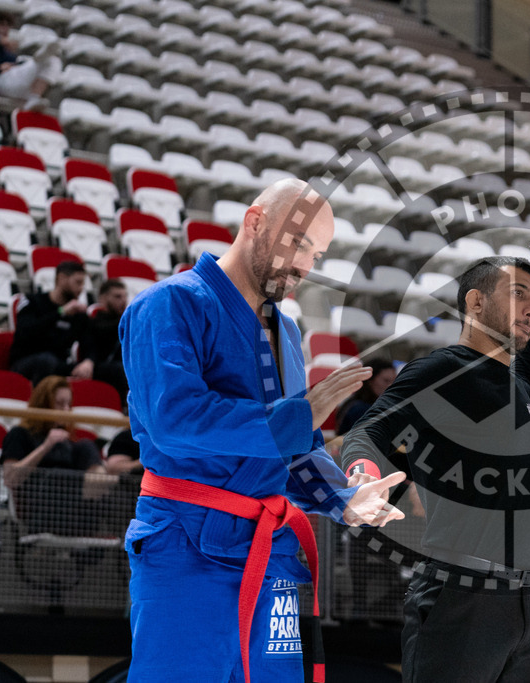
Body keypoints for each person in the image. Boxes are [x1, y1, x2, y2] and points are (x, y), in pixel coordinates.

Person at [119, 179, 407, 683]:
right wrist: (298, 417)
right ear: (255, 223)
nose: (305, 265)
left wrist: (342, 497)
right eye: (298, 243)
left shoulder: (287, 332)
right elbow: (174, 420)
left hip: (270, 549)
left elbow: (295, 448)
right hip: (185, 544)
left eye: (316, 254)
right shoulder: (167, 305)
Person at [339, 255, 530, 682]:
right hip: (463, 593)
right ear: (475, 302)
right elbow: (367, 432)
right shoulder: (439, 369)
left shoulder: (524, 382)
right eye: (517, 294)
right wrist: (363, 475)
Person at [0, 375, 105, 535]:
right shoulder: (19, 434)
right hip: (39, 511)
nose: (66, 410)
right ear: (43, 404)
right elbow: (10, 477)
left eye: (68, 404)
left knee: (87, 445)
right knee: (59, 476)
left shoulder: (72, 444)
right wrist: (46, 446)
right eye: (59, 404)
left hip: (76, 514)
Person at [9, 260, 95, 385]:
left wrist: (89, 362)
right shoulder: (31, 301)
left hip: (58, 364)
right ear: (61, 279)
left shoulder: (79, 314)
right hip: (25, 362)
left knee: (106, 370)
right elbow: (25, 333)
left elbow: (89, 344)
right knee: (46, 361)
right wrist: (61, 312)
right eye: (78, 282)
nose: (81, 288)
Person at [0, 11, 60, 111]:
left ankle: (34, 99)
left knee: (54, 61)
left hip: (19, 86)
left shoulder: (7, 52)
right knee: (42, 60)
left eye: (7, 25)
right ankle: (41, 55)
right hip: (1, 82)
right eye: (1, 24)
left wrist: (12, 64)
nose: (5, 28)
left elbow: (17, 63)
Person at [90, 279, 129, 406]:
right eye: (117, 296)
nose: (123, 300)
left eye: (125, 296)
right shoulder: (95, 320)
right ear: (103, 298)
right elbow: (103, 331)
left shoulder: (125, 322)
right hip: (97, 367)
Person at [335, 358, 397, 434]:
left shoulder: (358, 404)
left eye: (394, 381)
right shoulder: (359, 409)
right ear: (370, 381)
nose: (391, 386)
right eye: (386, 381)